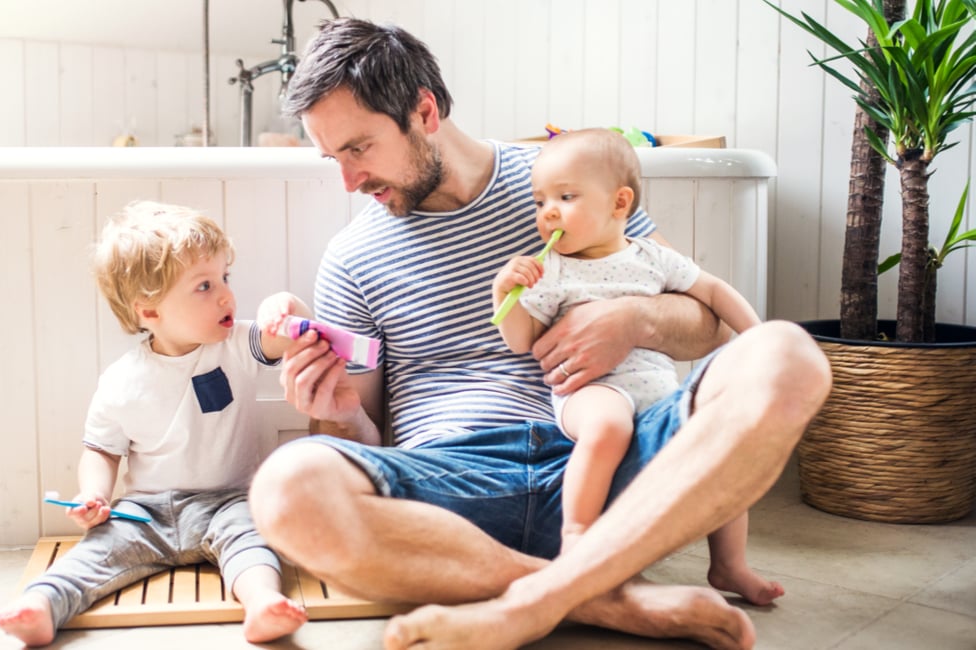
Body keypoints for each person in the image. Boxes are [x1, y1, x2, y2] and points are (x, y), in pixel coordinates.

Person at [246, 17, 831, 650]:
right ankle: (608, 603)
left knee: (786, 353)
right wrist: (335, 414)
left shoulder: (566, 182)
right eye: (331, 158)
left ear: (424, 110)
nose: (349, 181)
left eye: (358, 149)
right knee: (284, 486)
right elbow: (370, 435)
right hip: (456, 484)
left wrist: (634, 317)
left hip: (614, 459)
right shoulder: (351, 258)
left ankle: (532, 600)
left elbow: (705, 324)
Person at [0, 201, 309, 646]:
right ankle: (43, 604)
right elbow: (101, 450)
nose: (225, 295)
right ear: (149, 312)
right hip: (144, 511)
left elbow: (286, 332)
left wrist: (286, 305)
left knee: (252, 541)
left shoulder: (235, 343)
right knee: (97, 553)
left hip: (228, 501)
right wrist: (95, 495)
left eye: (225, 278)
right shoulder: (122, 382)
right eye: (204, 285)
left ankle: (261, 603)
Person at [493, 128, 780, 606]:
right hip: (588, 392)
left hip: (658, 394)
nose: (547, 213)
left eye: (566, 197)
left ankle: (729, 565)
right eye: (540, 200)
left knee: (723, 441)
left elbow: (714, 292)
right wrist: (506, 293)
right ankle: (577, 539)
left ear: (619, 202)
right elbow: (520, 338)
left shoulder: (653, 258)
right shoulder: (551, 271)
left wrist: (761, 339)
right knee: (608, 426)